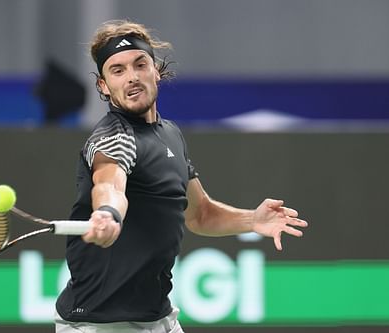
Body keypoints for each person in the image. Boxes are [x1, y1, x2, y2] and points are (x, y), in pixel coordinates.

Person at [55, 19, 308, 333]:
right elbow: (109, 185)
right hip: (100, 324)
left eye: (140, 64)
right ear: (103, 86)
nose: (132, 77)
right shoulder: (112, 138)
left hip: (159, 318)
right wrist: (107, 214)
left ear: (156, 71)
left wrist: (250, 220)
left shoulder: (170, 134)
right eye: (117, 70)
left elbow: (199, 214)